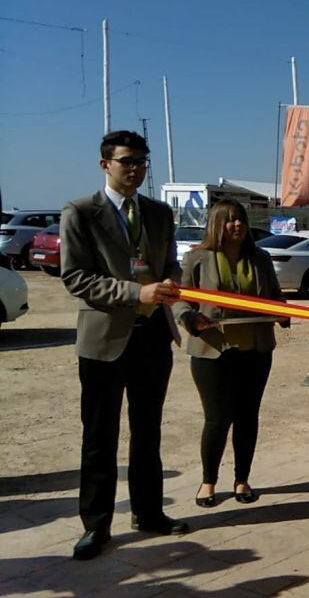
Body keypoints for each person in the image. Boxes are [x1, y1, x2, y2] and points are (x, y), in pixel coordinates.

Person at [61, 130, 188, 561]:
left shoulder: (157, 212)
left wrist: (170, 282)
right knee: (100, 436)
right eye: (126, 161)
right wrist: (137, 293)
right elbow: (76, 278)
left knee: (147, 430)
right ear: (105, 165)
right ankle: (96, 526)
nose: (135, 169)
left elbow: (169, 260)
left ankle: (149, 512)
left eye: (141, 162)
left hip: (152, 335)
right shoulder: (80, 212)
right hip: (104, 340)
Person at [173, 200, 286, 508]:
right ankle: (208, 481)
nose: (237, 225)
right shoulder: (198, 258)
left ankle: (242, 479)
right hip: (213, 352)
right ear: (216, 224)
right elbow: (180, 300)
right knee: (218, 419)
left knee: (247, 417)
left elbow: (275, 297)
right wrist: (189, 320)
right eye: (230, 220)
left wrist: (281, 312)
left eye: (241, 220)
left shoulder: (260, 257)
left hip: (256, 350)